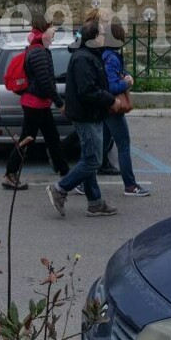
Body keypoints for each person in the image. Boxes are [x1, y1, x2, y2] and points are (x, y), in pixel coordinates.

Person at [46, 18, 119, 218]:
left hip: (90, 114)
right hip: (87, 116)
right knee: (93, 161)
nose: (105, 36)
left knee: (89, 159)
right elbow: (88, 90)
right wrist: (110, 99)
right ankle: (60, 189)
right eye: (102, 34)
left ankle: (95, 203)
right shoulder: (83, 58)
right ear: (94, 38)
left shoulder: (89, 55)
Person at [2, 20, 69, 190]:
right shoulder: (38, 52)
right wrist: (60, 103)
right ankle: (10, 174)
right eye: (52, 27)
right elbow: (45, 82)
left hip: (39, 103)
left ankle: (65, 174)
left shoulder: (39, 48)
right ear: (44, 31)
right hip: (35, 104)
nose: (55, 30)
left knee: (52, 138)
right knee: (27, 140)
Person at [100, 18, 149, 197]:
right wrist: (126, 83)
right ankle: (130, 185)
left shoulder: (106, 55)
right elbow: (112, 86)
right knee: (124, 146)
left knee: (101, 146)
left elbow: (115, 74)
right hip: (114, 107)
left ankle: (82, 182)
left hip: (105, 107)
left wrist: (125, 75)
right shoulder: (112, 58)